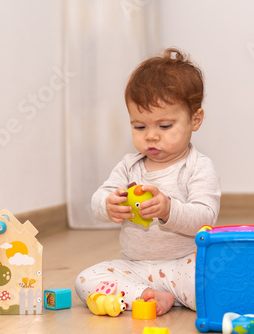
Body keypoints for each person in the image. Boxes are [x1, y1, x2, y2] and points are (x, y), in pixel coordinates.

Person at [75, 47, 221, 316]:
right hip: (135, 267)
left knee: (220, 288)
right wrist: (109, 205)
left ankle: (177, 294)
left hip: (185, 264)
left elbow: (205, 219)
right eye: (140, 126)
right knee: (85, 280)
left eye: (164, 126)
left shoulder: (198, 166)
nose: (151, 136)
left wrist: (169, 210)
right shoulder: (129, 166)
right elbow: (99, 199)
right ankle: (149, 296)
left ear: (195, 120)